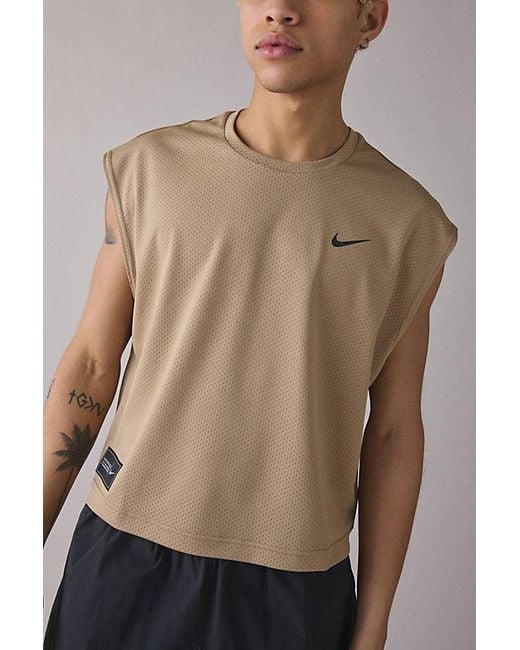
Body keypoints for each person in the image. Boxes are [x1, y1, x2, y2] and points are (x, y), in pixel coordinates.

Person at [43, 1, 459, 648]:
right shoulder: (150, 169)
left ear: (370, 18)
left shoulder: (408, 223)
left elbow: (394, 433)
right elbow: (92, 366)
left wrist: (373, 624)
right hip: (126, 555)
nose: (280, 10)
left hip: (293, 589)